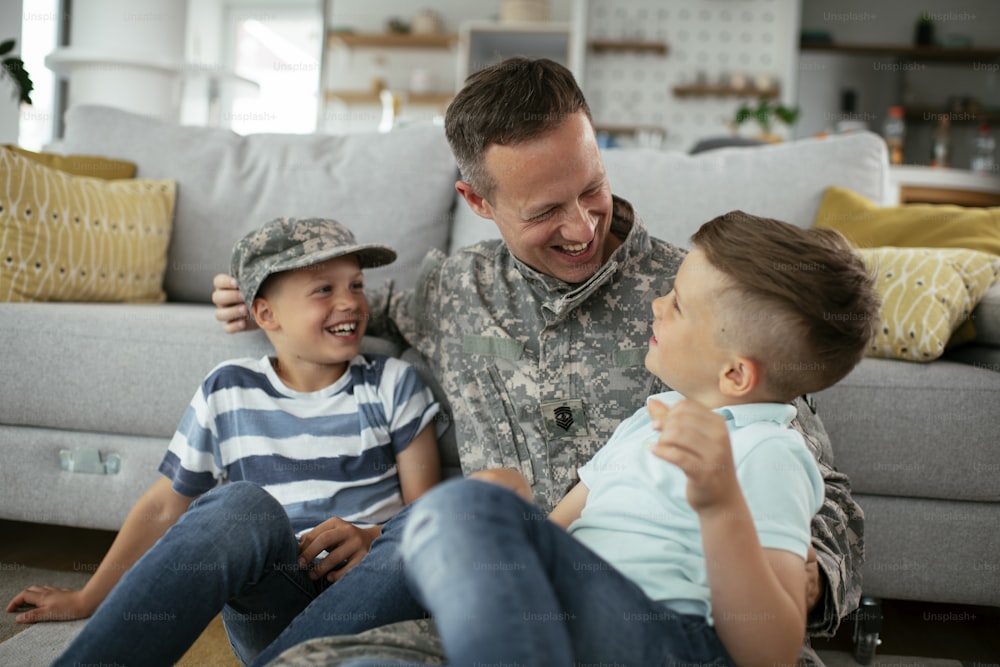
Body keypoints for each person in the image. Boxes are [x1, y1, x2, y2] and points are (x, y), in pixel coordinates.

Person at [210, 58, 865, 665]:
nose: (582, 227)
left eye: (592, 189)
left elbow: (802, 470)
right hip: (477, 593)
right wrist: (269, 292)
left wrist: (792, 575)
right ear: (479, 203)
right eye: (547, 210)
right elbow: (363, 306)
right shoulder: (456, 290)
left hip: (643, 621)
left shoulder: (700, 298)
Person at [363, 210, 881, 667]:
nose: (657, 305)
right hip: (570, 620)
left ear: (736, 376)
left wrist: (721, 504)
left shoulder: (769, 450)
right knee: (462, 510)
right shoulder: (650, 418)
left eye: (676, 305)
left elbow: (769, 655)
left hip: (668, 639)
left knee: (455, 510)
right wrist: (510, 517)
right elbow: (560, 531)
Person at [7, 217, 441, 666]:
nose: (350, 302)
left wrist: (372, 537)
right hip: (277, 598)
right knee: (239, 503)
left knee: (434, 518)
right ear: (265, 314)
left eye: (355, 285)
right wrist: (89, 597)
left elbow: (423, 517)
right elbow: (163, 506)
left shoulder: (393, 382)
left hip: (369, 592)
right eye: (323, 290)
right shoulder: (227, 388)